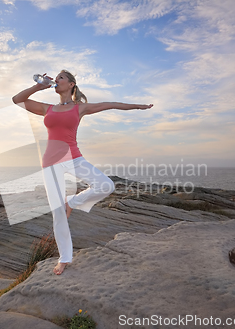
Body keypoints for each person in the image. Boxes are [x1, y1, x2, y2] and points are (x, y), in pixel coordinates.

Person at [12, 70, 153, 275]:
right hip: (50, 163)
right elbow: (17, 99)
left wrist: (138, 106)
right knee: (58, 214)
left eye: (61, 77)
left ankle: (73, 202)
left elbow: (111, 104)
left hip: (73, 158)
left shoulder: (80, 108)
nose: (56, 79)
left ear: (71, 84)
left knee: (106, 185)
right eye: (56, 77)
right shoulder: (47, 108)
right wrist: (38, 86)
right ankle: (65, 258)